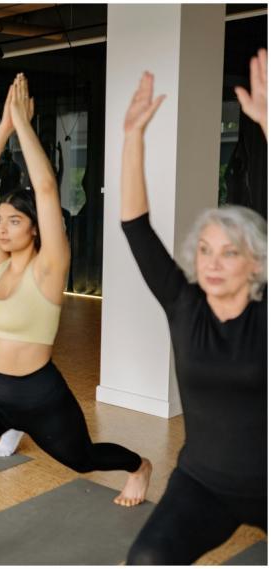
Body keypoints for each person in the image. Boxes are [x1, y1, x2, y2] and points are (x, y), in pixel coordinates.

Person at [0, 75, 152, 565]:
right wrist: (1, 127)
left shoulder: (49, 267)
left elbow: (45, 185)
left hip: (39, 395)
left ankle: (139, 465)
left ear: (38, 229)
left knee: (82, 459)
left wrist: (23, 124)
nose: (0, 226)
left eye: (13, 220)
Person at [123, 62, 266, 564]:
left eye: (230, 252)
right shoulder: (185, 306)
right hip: (204, 481)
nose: (214, 263)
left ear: (257, 264)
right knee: (147, 559)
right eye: (205, 250)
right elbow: (137, 228)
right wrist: (132, 137)